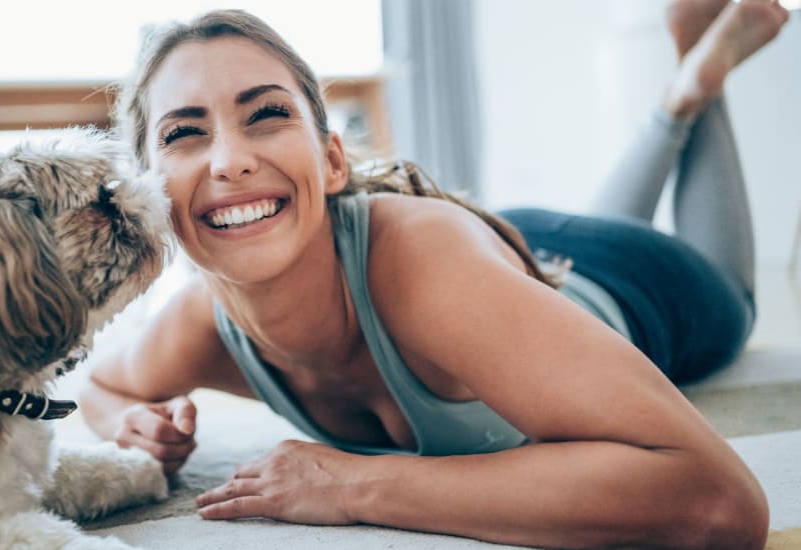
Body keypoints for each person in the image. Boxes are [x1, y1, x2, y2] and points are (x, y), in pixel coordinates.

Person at [80, 2, 790, 548]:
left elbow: (719, 501)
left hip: (640, 286)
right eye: (184, 132)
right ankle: (674, 101)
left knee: (737, 301)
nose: (229, 158)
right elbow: (104, 385)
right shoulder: (203, 324)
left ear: (331, 162)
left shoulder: (424, 263)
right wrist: (135, 427)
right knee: (565, 248)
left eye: (265, 115)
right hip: (518, 245)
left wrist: (356, 484)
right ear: (145, 191)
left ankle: (698, 88)